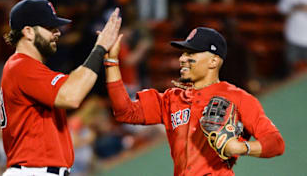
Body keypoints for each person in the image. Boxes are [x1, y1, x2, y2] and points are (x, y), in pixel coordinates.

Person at [104, 27, 285, 175]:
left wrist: (241, 147)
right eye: (183, 53)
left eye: (192, 53)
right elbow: (125, 111)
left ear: (213, 61)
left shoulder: (238, 98)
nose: (183, 58)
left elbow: (276, 143)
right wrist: (112, 61)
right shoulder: (171, 98)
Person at [0, 0, 122, 176]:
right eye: (50, 27)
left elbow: (73, 84)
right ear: (28, 32)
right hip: (34, 171)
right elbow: (71, 96)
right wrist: (100, 47)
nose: (57, 32)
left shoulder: (27, 69)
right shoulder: (20, 66)